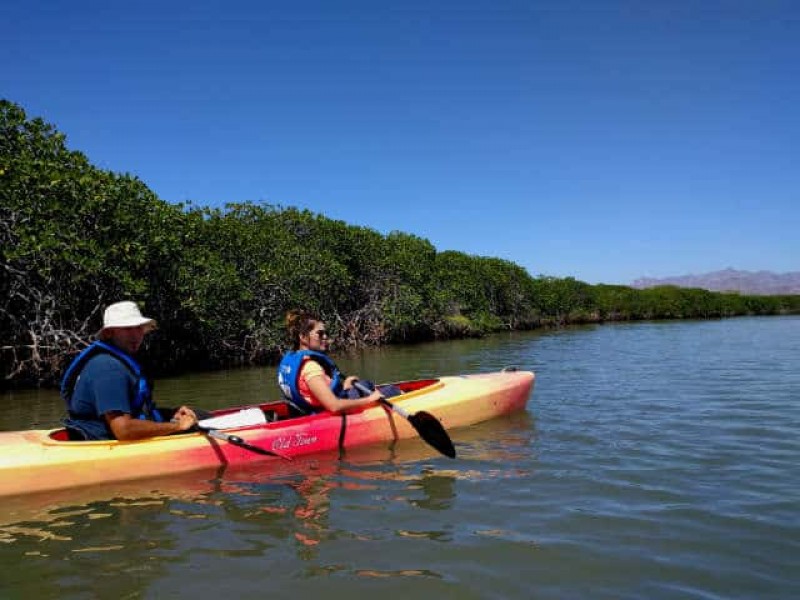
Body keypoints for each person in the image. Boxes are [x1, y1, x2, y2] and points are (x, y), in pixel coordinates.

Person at [61, 301, 198, 441]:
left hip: (116, 435)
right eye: (127, 328)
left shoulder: (119, 362)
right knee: (199, 424)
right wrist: (177, 427)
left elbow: (139, 411)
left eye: (138, 328)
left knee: (199, 415)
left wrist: (172, 414)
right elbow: (124, 430)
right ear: (109, 333)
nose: (135, 335)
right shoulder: (108, 368)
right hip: (103, 446)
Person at [277, 309, 383, 415]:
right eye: (320, 334)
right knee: (392, 391)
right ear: (303, 337)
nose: (325, 337)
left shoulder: (292, 359)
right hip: (323, 415)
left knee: (364, 384)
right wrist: (369, 400)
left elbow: (314, 394)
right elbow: (334, 406)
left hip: (310, 410)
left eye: (325, 333)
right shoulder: (311, 368)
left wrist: (344, 387)